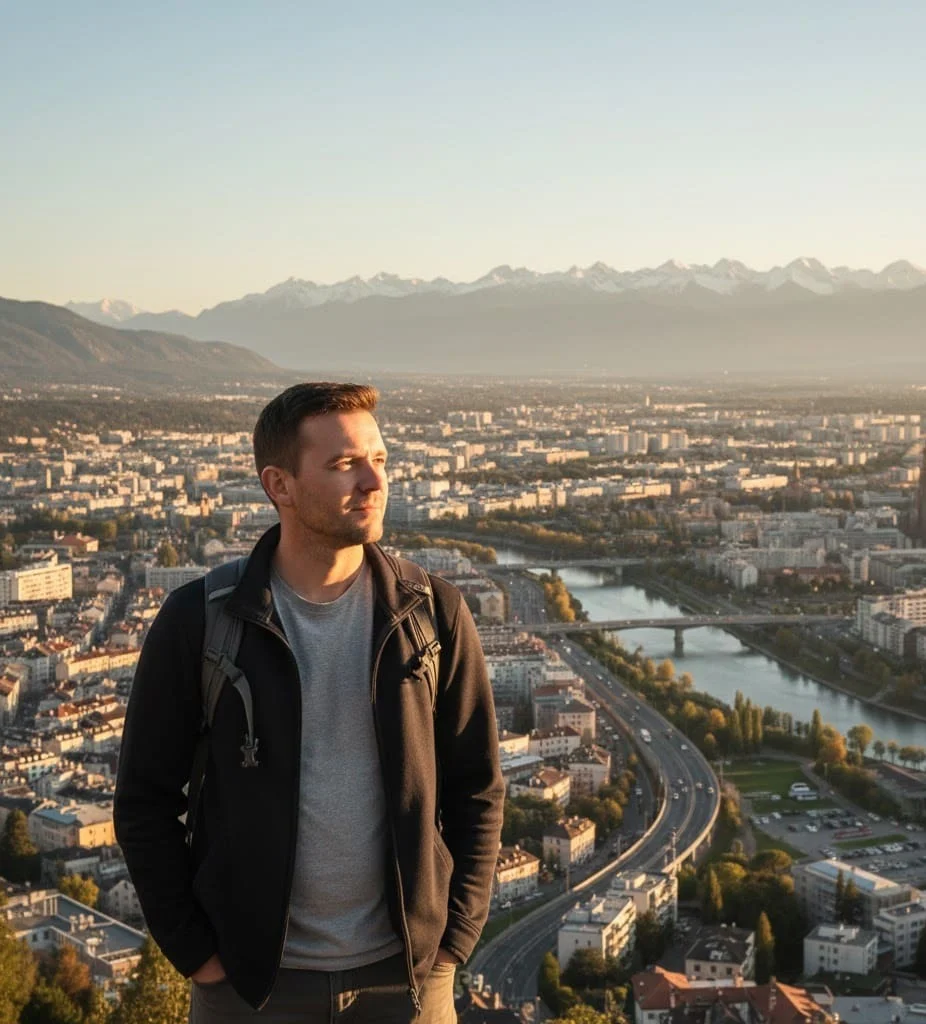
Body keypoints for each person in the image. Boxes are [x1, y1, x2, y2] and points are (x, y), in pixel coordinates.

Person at [114, 382, 504, 1022]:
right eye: (345, 463)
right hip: (250, 986)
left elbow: (478, 788)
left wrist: (452, 941)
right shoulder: (200, 623)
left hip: (406, 983)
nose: (374, 481)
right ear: (280, 484)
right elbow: (143, 802)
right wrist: (198, 955)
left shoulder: (432, 613)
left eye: (379, 459)